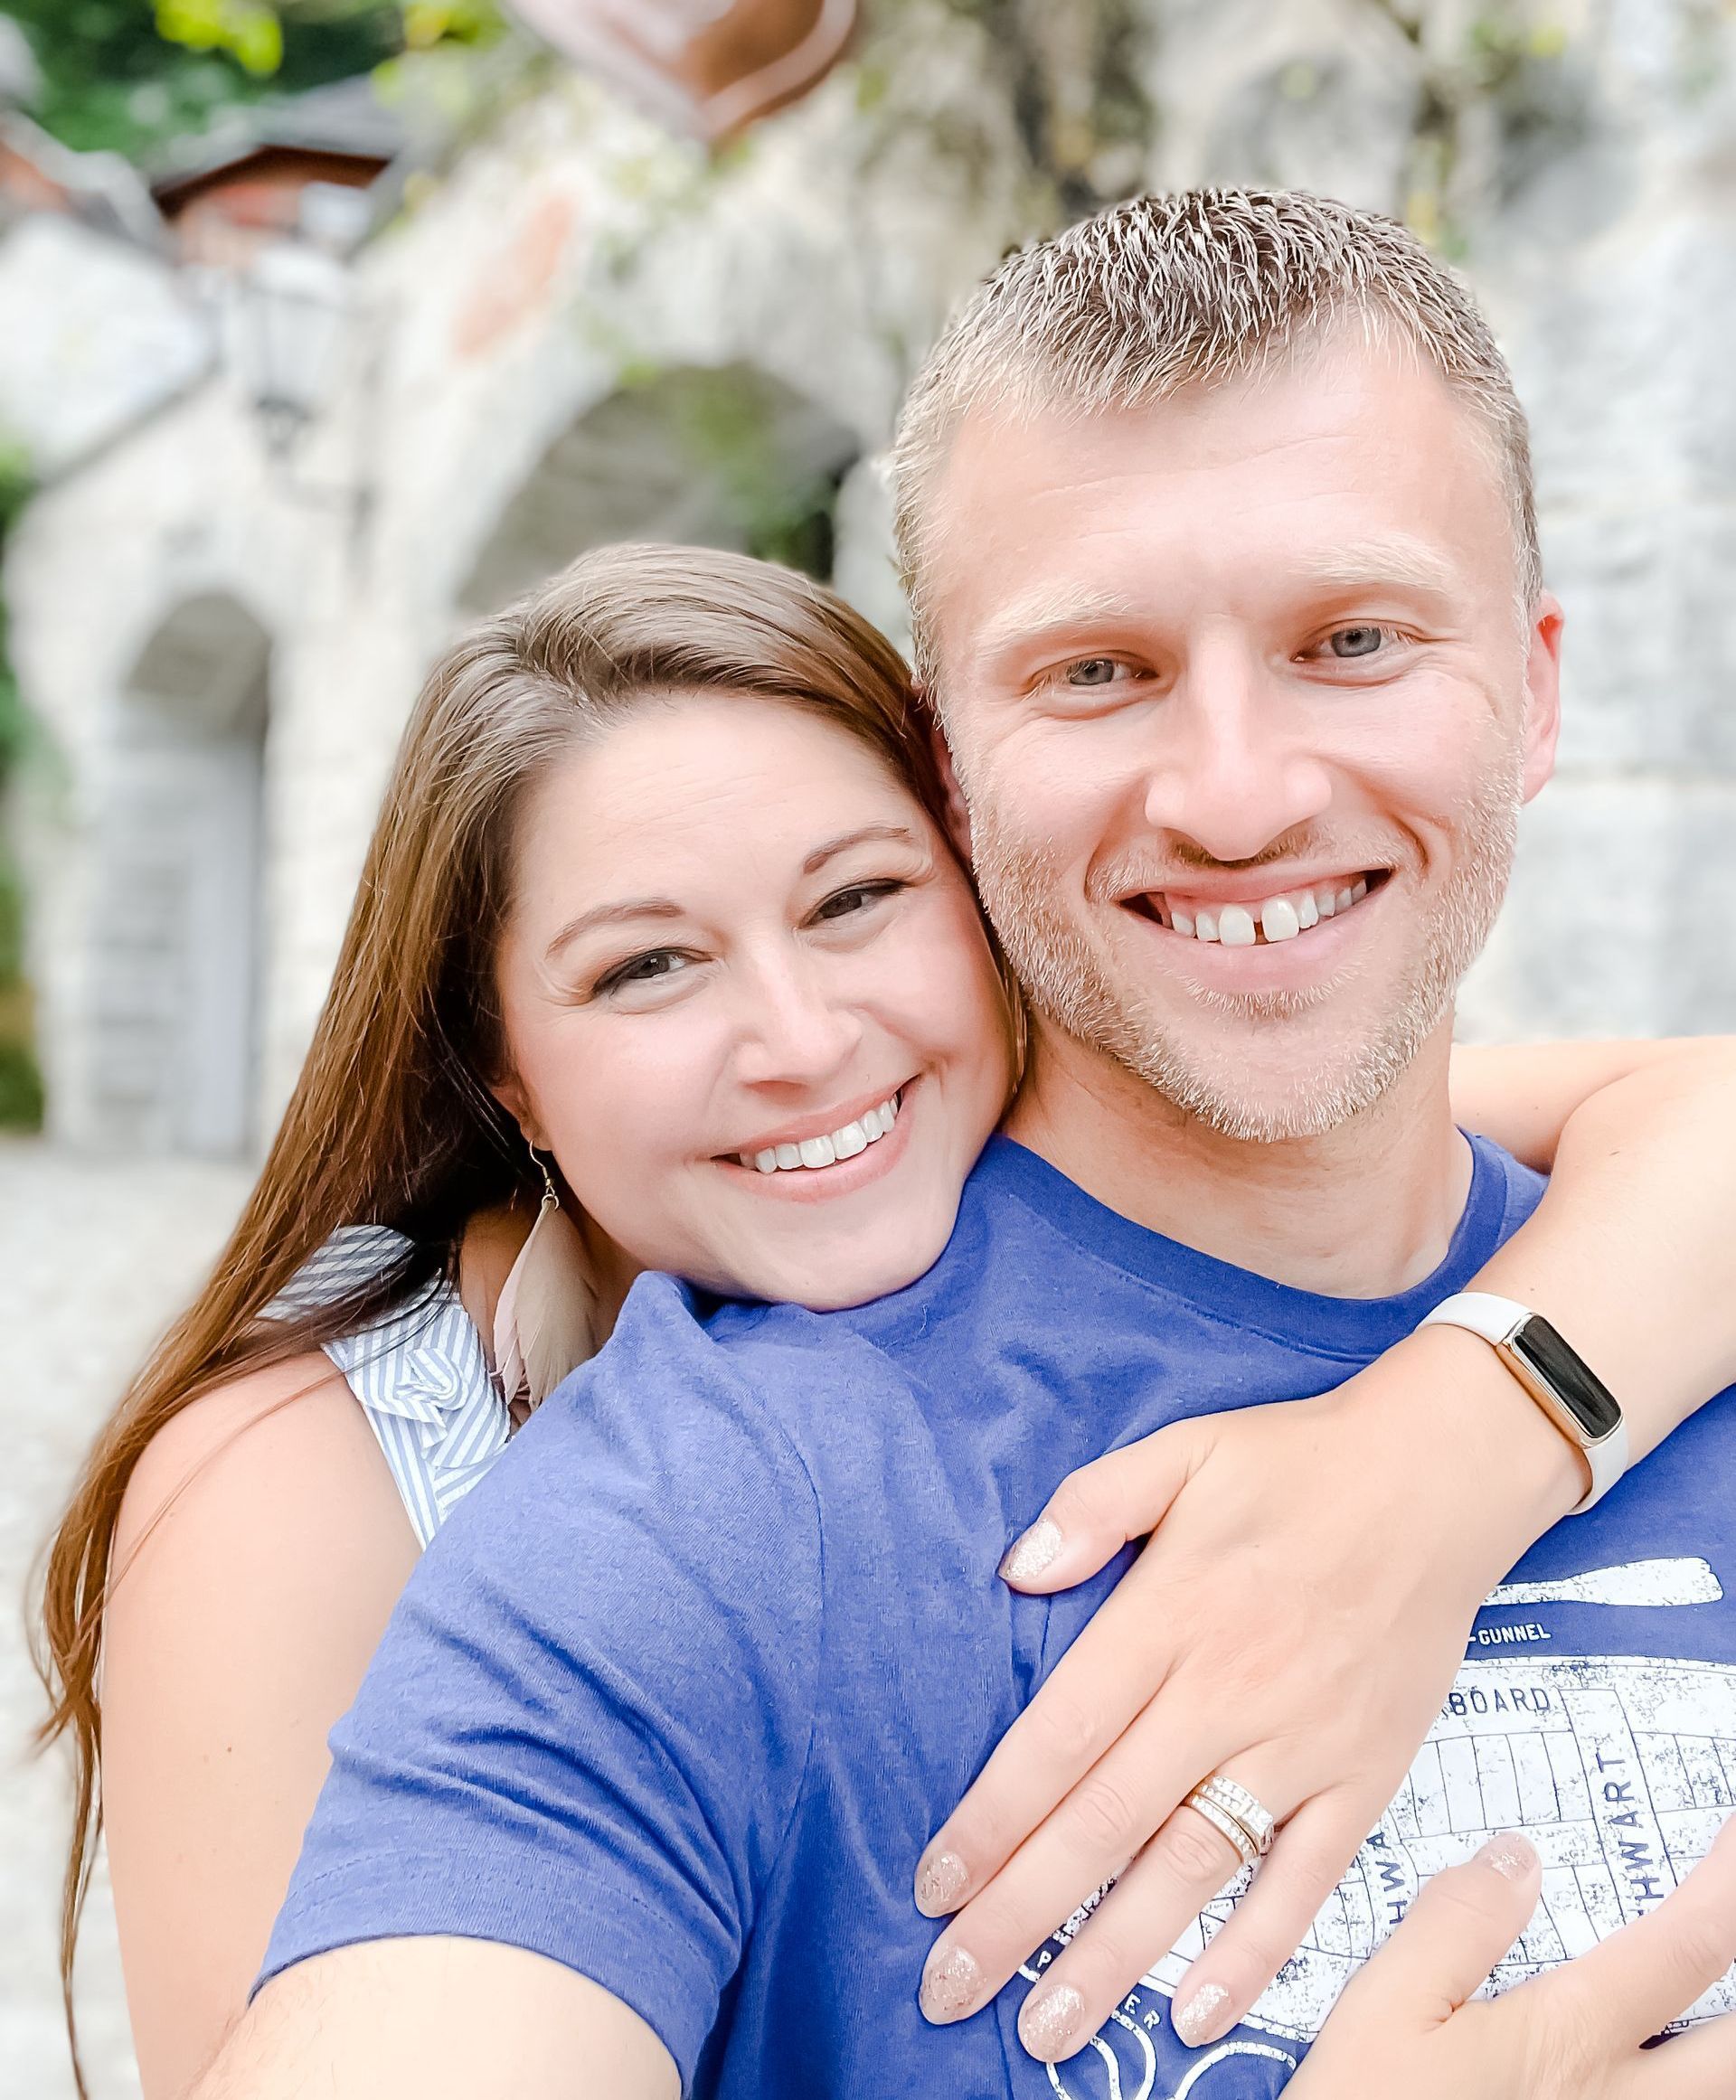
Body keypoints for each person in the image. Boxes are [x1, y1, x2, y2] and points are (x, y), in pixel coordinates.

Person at [160, 186, 1736, 2100]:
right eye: (1100, 670)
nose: (1238, 792)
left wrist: (1478, 1417)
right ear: (950, 765)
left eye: (1353, 637)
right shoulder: (685, 1530)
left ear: (1541, 687)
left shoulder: (1663, 1262)